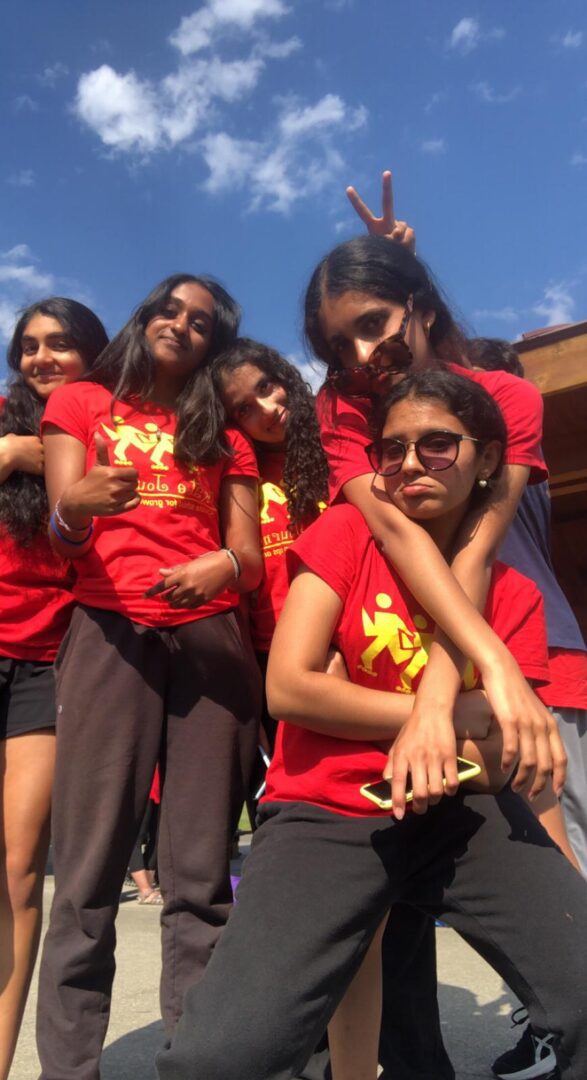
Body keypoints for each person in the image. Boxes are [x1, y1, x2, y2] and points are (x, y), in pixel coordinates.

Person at [156, 369, 587, 1080]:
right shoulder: (346, 532)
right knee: (218, 1058)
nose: (409, 463)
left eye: (437, 445)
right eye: (391, 449)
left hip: (464, 809)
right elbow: (290, 688)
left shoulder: (512, 596)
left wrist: (399, 719)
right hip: (321, 810)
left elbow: (512, 758)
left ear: (485, 460)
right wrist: (451, 712)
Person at [36, 274, 263, 1079]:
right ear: (144, 318)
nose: (181, 325)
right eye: (170, 310)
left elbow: (252, 559)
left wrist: (222, 566)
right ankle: (70, 1069)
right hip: (109, 635)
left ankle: (194, 1058)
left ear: (213, 344)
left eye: (201, 323)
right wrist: (77, 507)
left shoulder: (225, 436)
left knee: (201, 876)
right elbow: (65, 532)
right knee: (88, 873)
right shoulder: (81, 405)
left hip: (210, 646)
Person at [469, 335, 587, 1080]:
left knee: (557, 846)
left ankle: (564, 1018)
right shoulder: (532, 479)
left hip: (527, 650)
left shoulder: (507, 469)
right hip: (550, 648)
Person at [0, 298, 108, 1080]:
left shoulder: (110, 429)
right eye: (29, 346)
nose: (41, 358)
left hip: (47, 663)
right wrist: (11, 452)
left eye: (61, 345)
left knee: (16, 869)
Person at [211, 338, 328, 812]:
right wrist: (251, 698)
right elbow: (236, 596)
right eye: (244, 408)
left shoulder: (339, 447)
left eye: (267, 386)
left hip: (353, 648)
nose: (267, 408)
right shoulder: (235, 481)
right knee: (291, 803)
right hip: (272, 660)